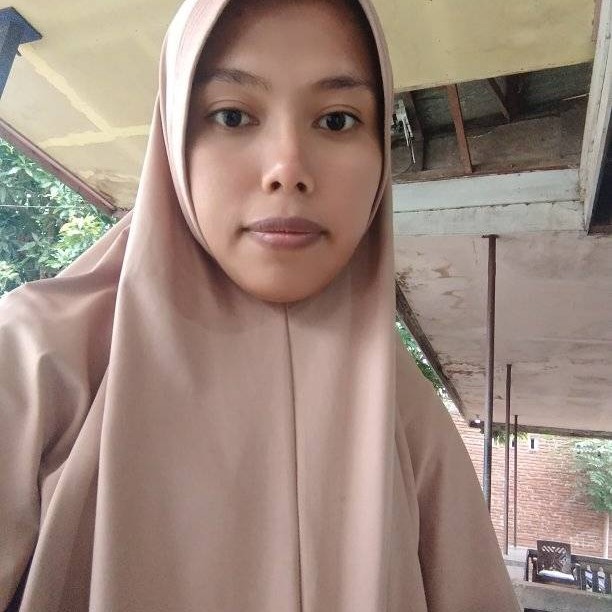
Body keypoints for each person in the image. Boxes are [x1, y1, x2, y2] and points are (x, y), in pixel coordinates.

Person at [0, 0, 521, 610]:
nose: (287, 169)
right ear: (173, 141)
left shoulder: (407, 415)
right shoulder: (37, 358)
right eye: (232, 115)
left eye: (337, 121)